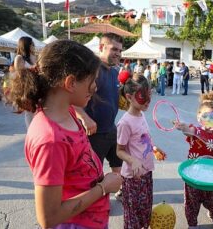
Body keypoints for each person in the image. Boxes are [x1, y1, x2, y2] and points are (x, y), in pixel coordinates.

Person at [9, 40, 122, 228]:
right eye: (91, 81)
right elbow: (49, 218)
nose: (95, 87)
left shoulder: (67, 111)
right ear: (70, 83)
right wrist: (103, 188)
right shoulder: (50, 140)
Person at [74, 33, 123, 200]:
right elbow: (71, 98)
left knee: (118, 164)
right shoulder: (92, 70)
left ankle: (119, 191)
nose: (118, 53)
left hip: (111, 128)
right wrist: (84, 118)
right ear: (101, 47)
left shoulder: (114, 72)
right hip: (94, 133)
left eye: (120, 50)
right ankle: (96, 201)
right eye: (114, 49)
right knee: (94, 172)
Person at [174, 92, 213, 229]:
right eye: (205, 116)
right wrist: (183, 127)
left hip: (211, 174)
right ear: (198, 117)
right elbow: (187, 131)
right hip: (194, 174)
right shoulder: (196, 131)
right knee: (192, 201)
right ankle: (192, 223)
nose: (209, 119)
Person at [116, 76, 155, 229]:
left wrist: (154, 149)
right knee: (133, 217)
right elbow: (119, 150)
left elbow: (142, 139)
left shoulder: (141, 114)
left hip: (146, 173)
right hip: (133, 178)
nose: (147, 101)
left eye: (149, 95)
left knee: (145, 212)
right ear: (129, 97)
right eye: (142, 96)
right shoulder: (125, 123)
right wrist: (133, 160)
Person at [14, 36, 36, 129]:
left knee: (37, 112)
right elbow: (19, 74)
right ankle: (31, 133)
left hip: (36, 87)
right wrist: (32, 69)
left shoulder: (33, 57)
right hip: (26, 88)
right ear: (26, 45)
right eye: (32, 44)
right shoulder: (19, 58)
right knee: (29, 112)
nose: (33, 46)